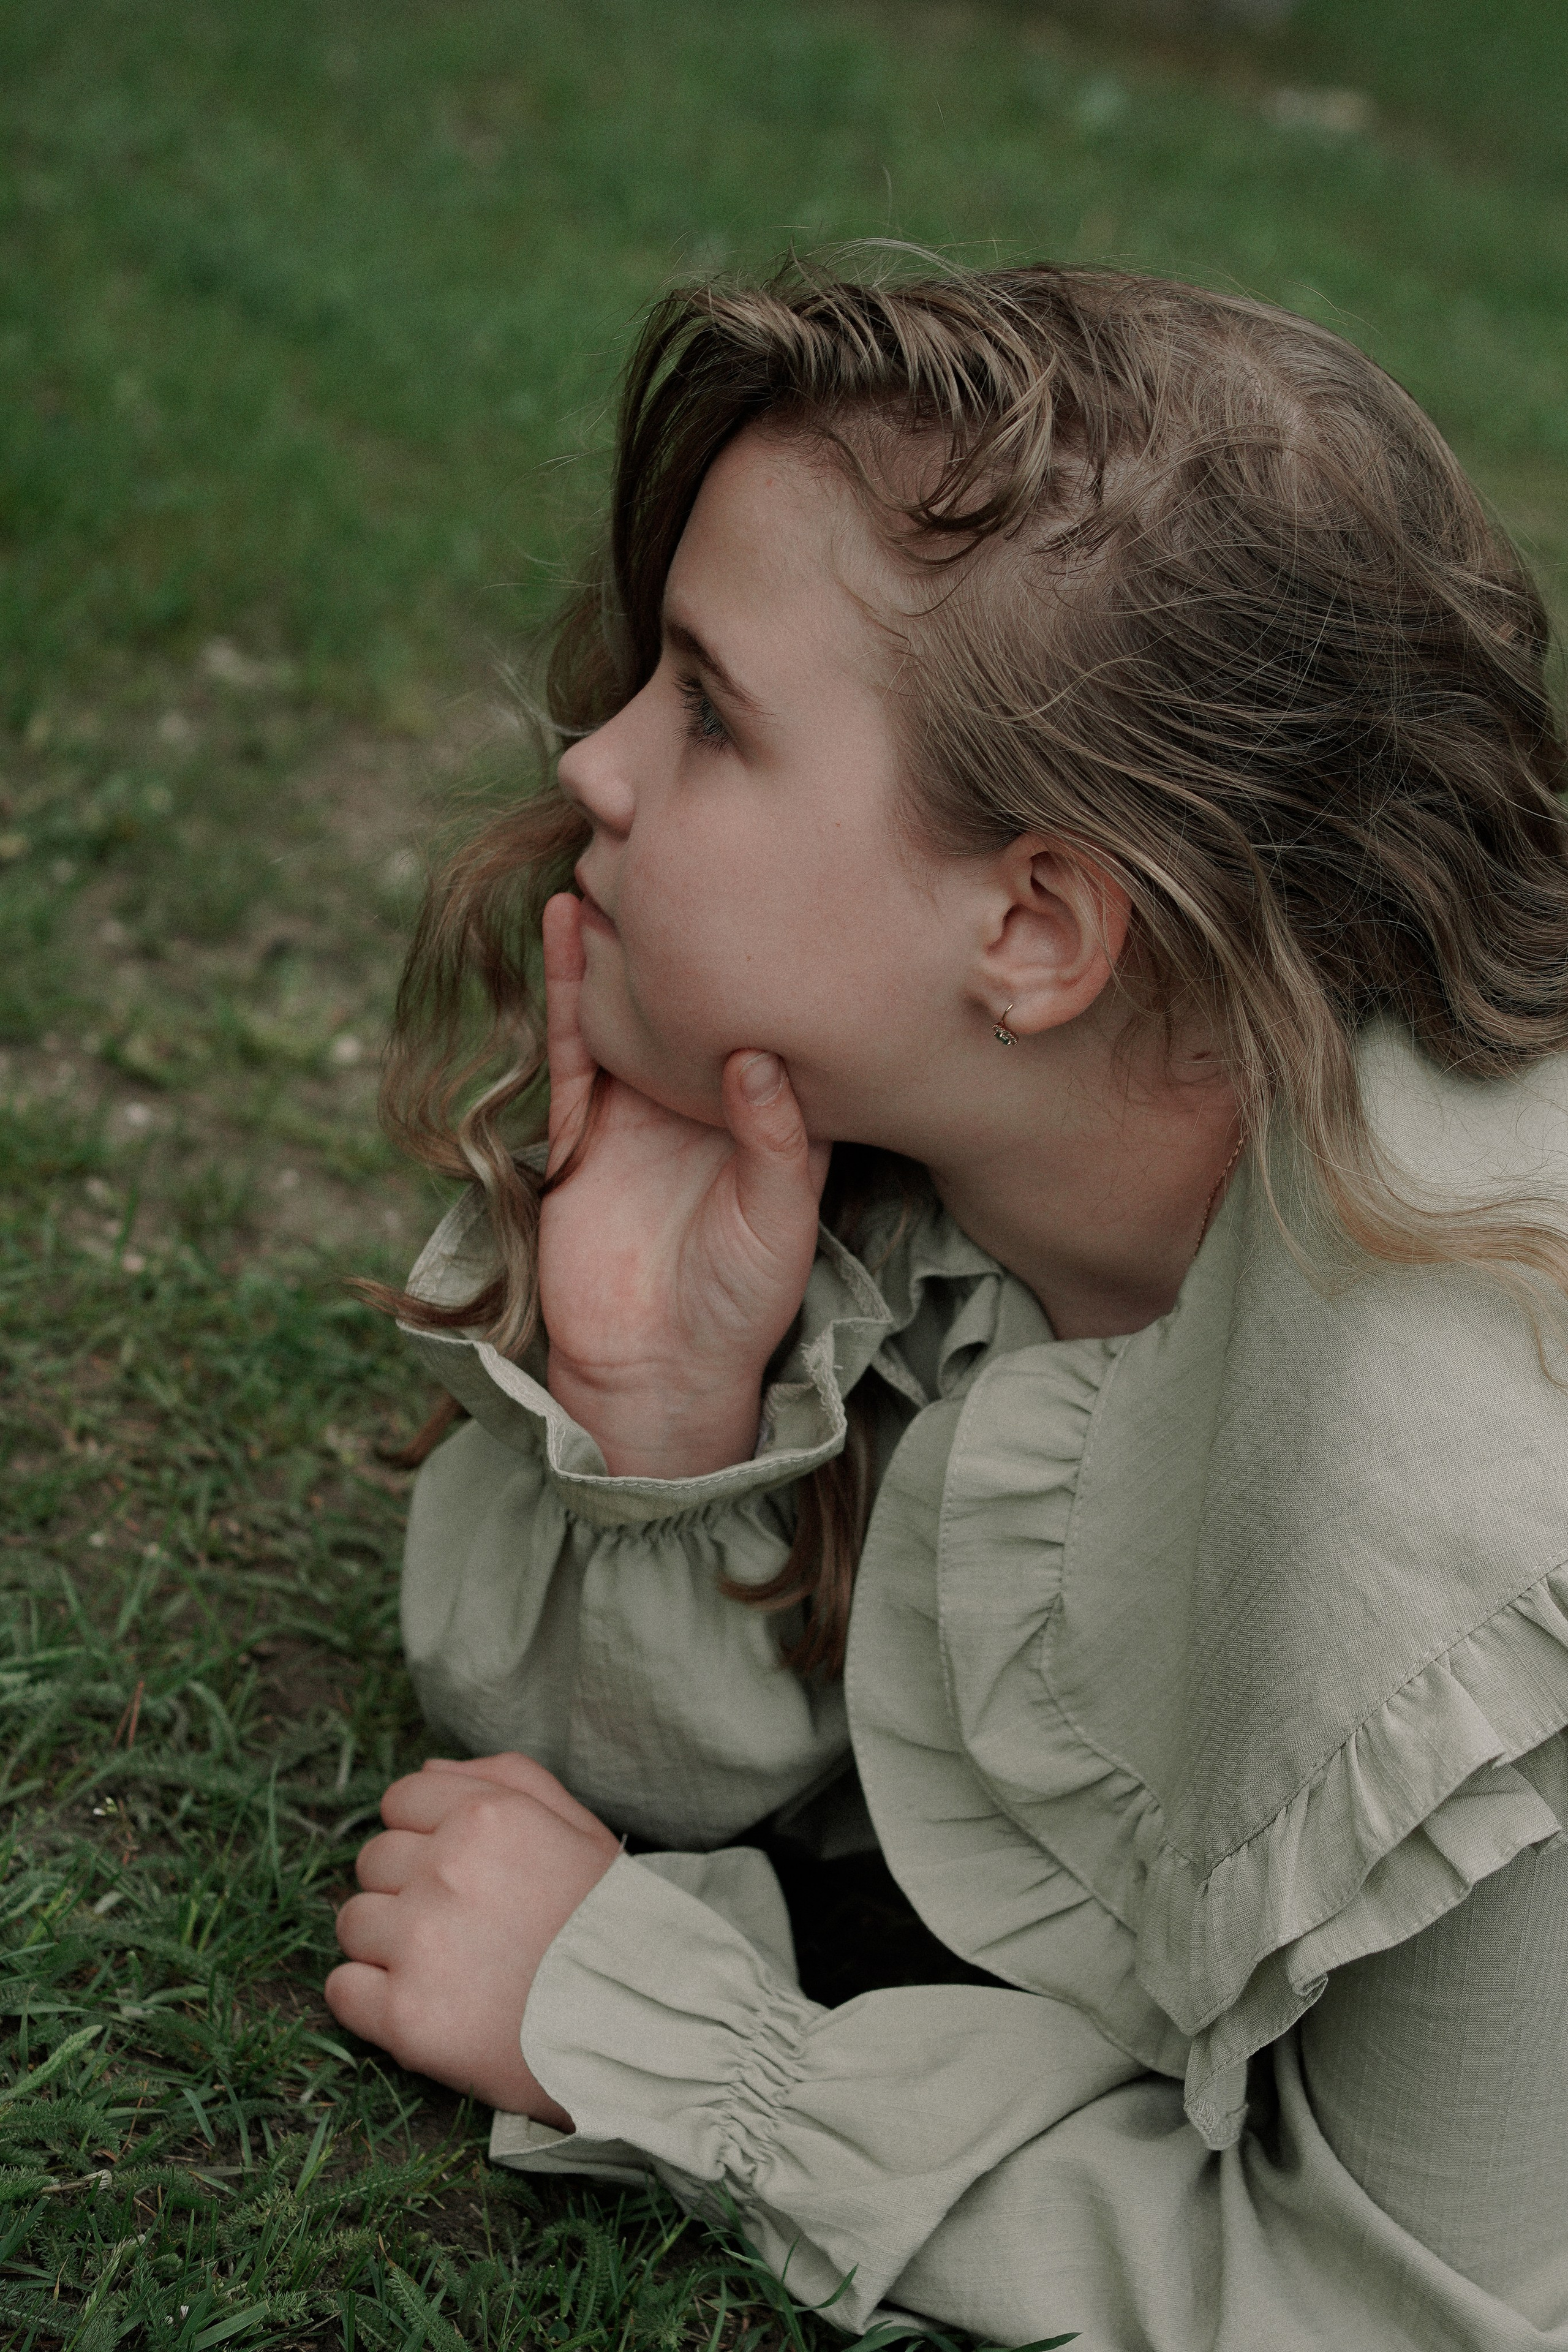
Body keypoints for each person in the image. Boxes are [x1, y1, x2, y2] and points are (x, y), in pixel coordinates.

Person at [324, 261, 1568, 2348]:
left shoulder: (1474, 1509)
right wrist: (659, 1405)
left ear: (1036, 921)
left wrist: (675, 2040)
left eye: (710, 710)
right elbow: (605, 1781)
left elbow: (1404, 2311)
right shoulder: (1000, 1149)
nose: (597, 757)